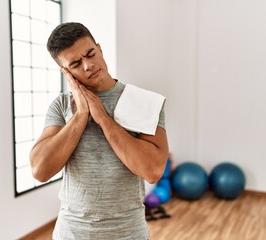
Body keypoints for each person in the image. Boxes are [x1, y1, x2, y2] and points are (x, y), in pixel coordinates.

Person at [29, 22, 169, 240]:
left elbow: (152, 171)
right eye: (75, 63)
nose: (87, 65)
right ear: (65, 71)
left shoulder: (144, 101)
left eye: (90, 54)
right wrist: (81, 114)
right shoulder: (62, 106)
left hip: (128, 234)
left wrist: (103, 118)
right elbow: (40, 169)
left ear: (100, 49)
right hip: (71, 234)